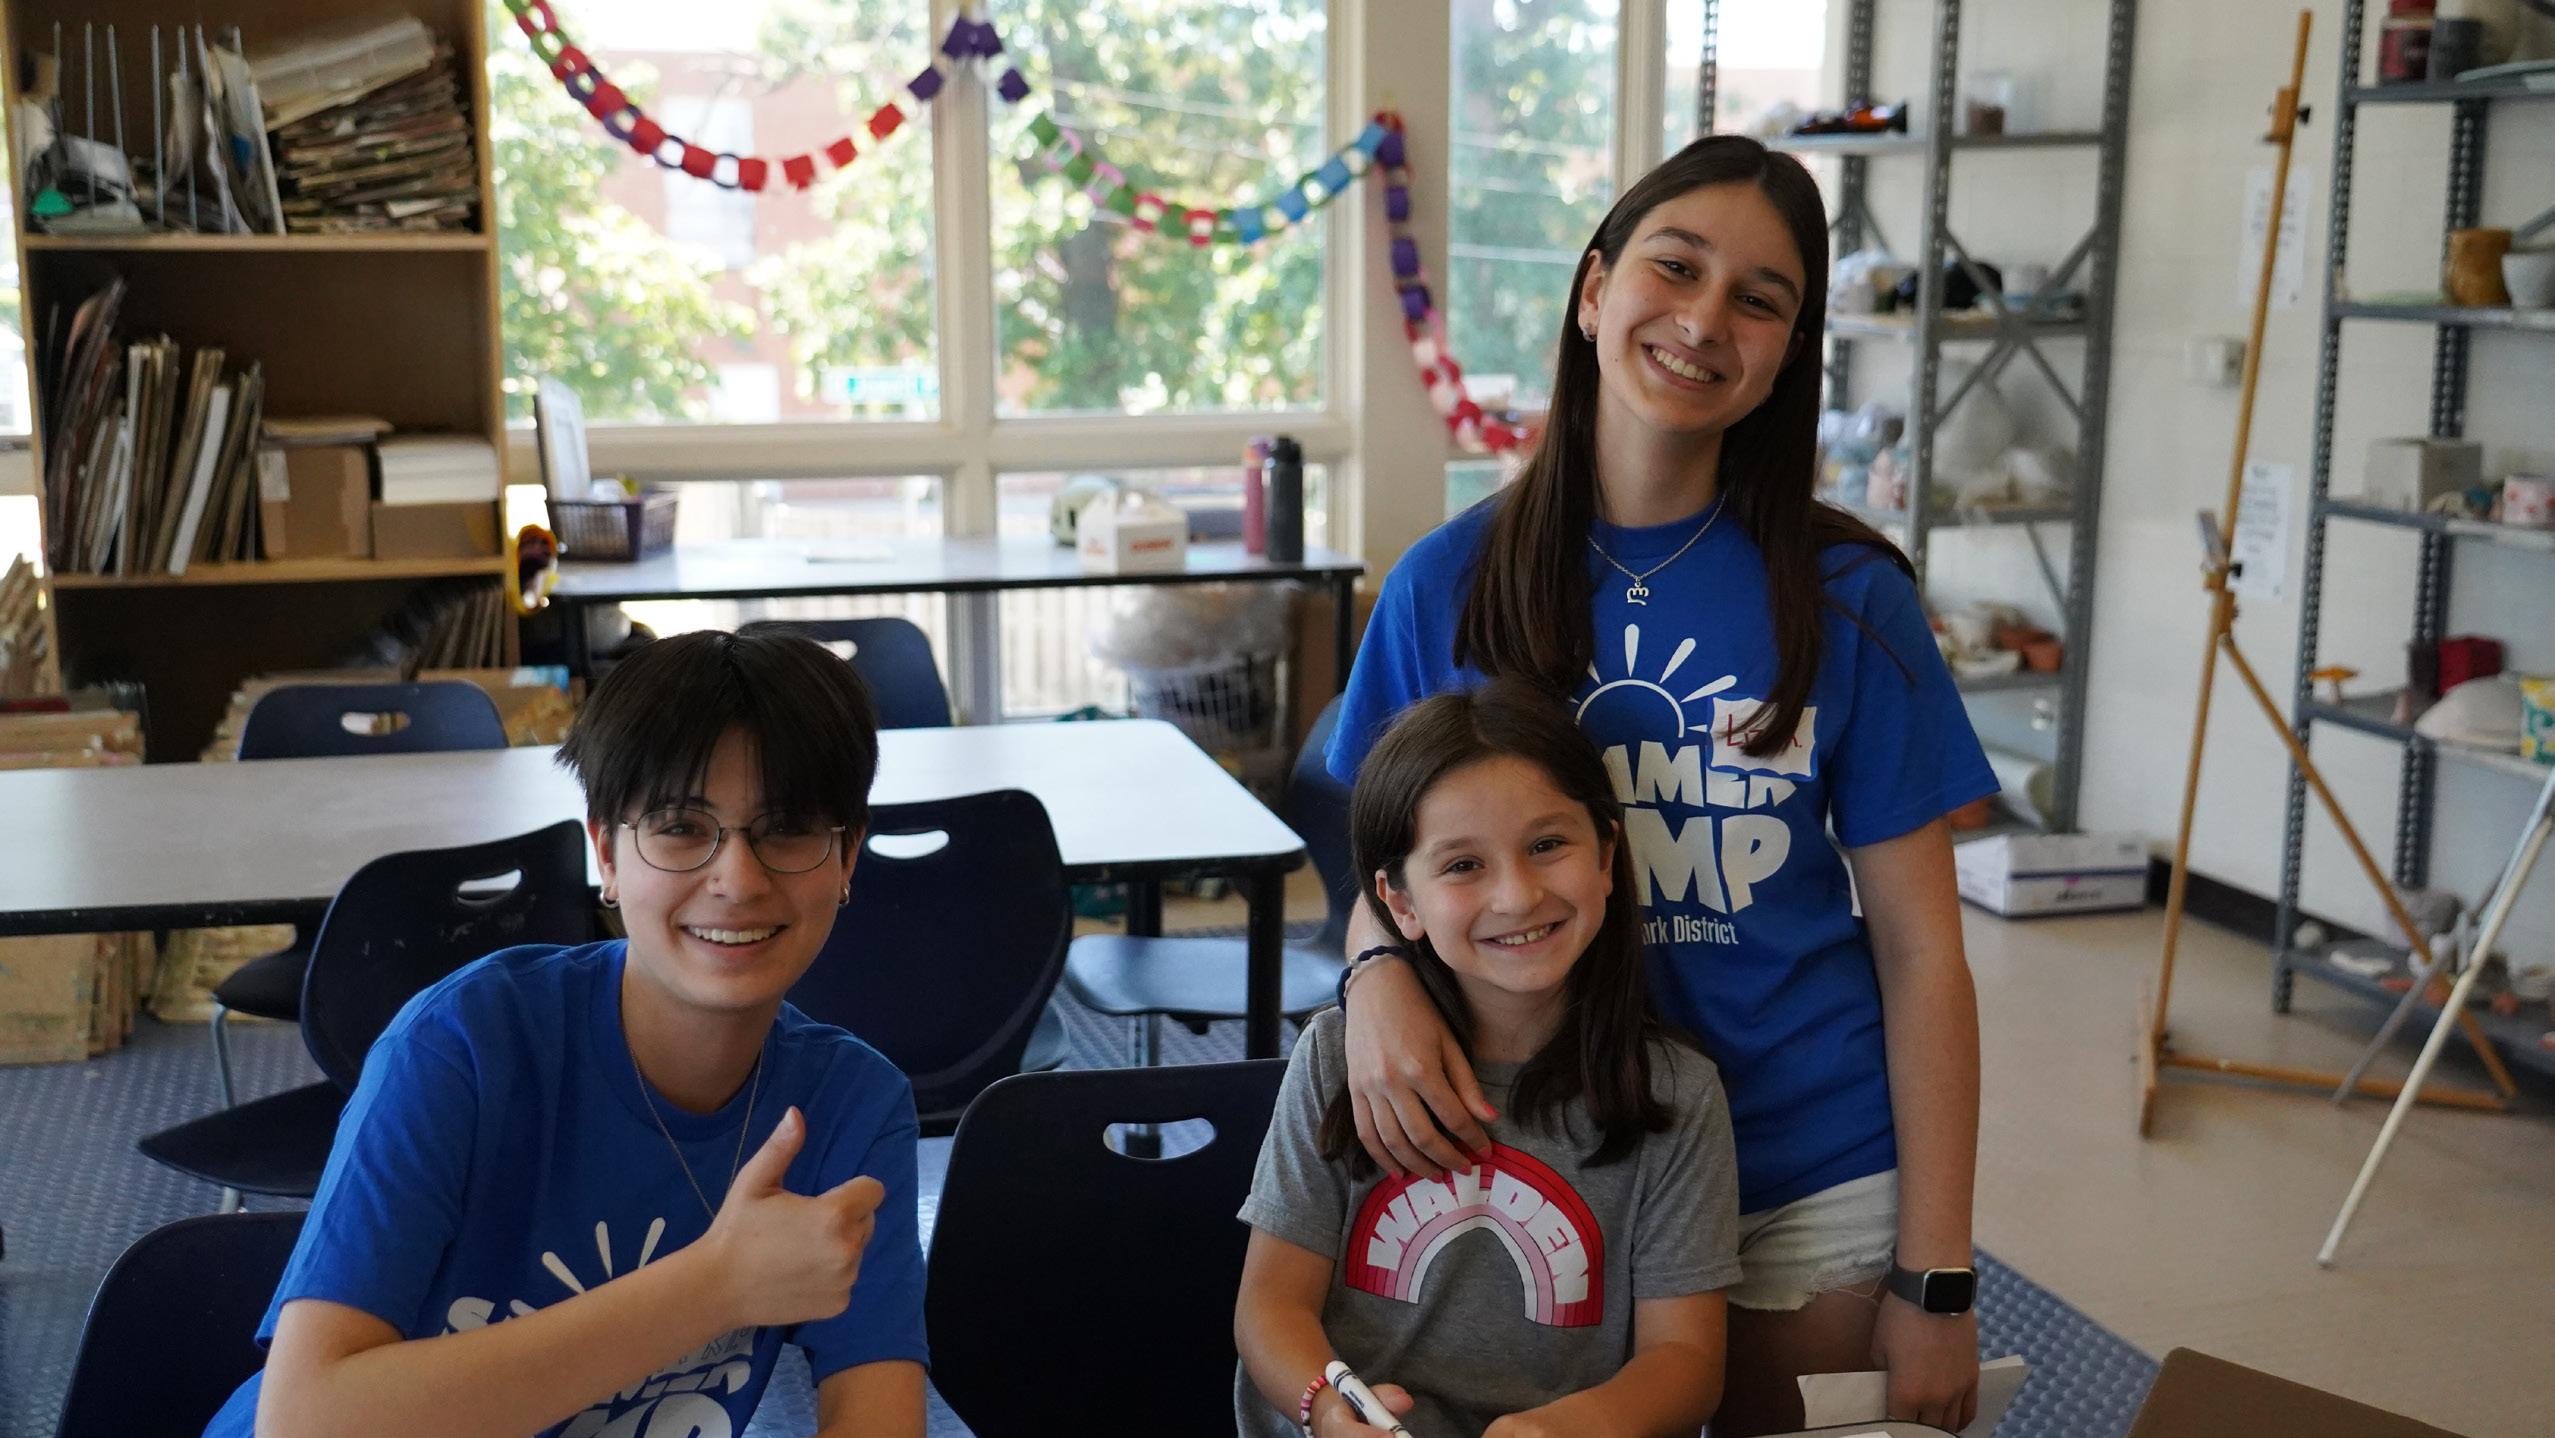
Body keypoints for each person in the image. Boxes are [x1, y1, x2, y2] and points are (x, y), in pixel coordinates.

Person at [1325, 135, 1998, 1436]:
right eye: (1674, 268)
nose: (1702, 320)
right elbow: (1377, 881)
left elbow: (1923, 952)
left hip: (1801, 1162)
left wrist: (1936, 1274)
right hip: (1533, 1164)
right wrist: (1372, 980)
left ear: (1788, 352)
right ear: (1593, 290)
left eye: (1758, 298)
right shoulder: (1441, 584)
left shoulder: (1849, 600)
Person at [206, 629, 927, 1438]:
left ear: (847, 856)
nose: (737, 879)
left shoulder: (852, 1105)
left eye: (787, 828)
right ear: (606, 854)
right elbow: (303, 1421)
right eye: (681, 827)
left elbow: (877, 1414)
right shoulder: (467, 1045)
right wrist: (716, 1286)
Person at [1236, 680, 1742, 1438]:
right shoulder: (1338, 1058)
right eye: (1463, 865)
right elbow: (1270, 1306)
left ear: (1606, 856)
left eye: (1546, 846)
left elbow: (1687, 1360)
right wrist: (1328, 1408)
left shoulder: (1678, 1094)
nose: (1516, 896)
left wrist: (1569, 1428)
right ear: (1399, 903)